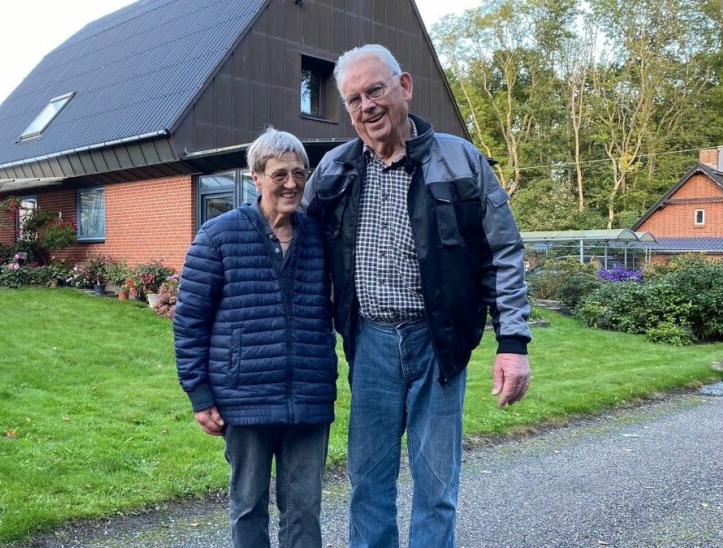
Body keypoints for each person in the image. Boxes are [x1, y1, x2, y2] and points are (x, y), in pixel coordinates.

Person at [301, 44, 532, 547]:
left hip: (440, 344)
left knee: (436, 485)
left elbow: (503, 252)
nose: (366, 106)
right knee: (368, 483)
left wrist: (512, 343)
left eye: (375, 90)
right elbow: (295, 247)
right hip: (370, 344)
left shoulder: (462, 160)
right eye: (354, 99)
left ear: (403, 86)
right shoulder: (334, 170)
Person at [174, 127, 338, 547]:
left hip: (309, 396)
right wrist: (200, 395)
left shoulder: (320, 238)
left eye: (300, 173)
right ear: (256, 178)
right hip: (243, 397)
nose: (291, 184)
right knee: (248, 504)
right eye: (280, 174)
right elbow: (190, 320)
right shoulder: (218, 236)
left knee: (304, 508)